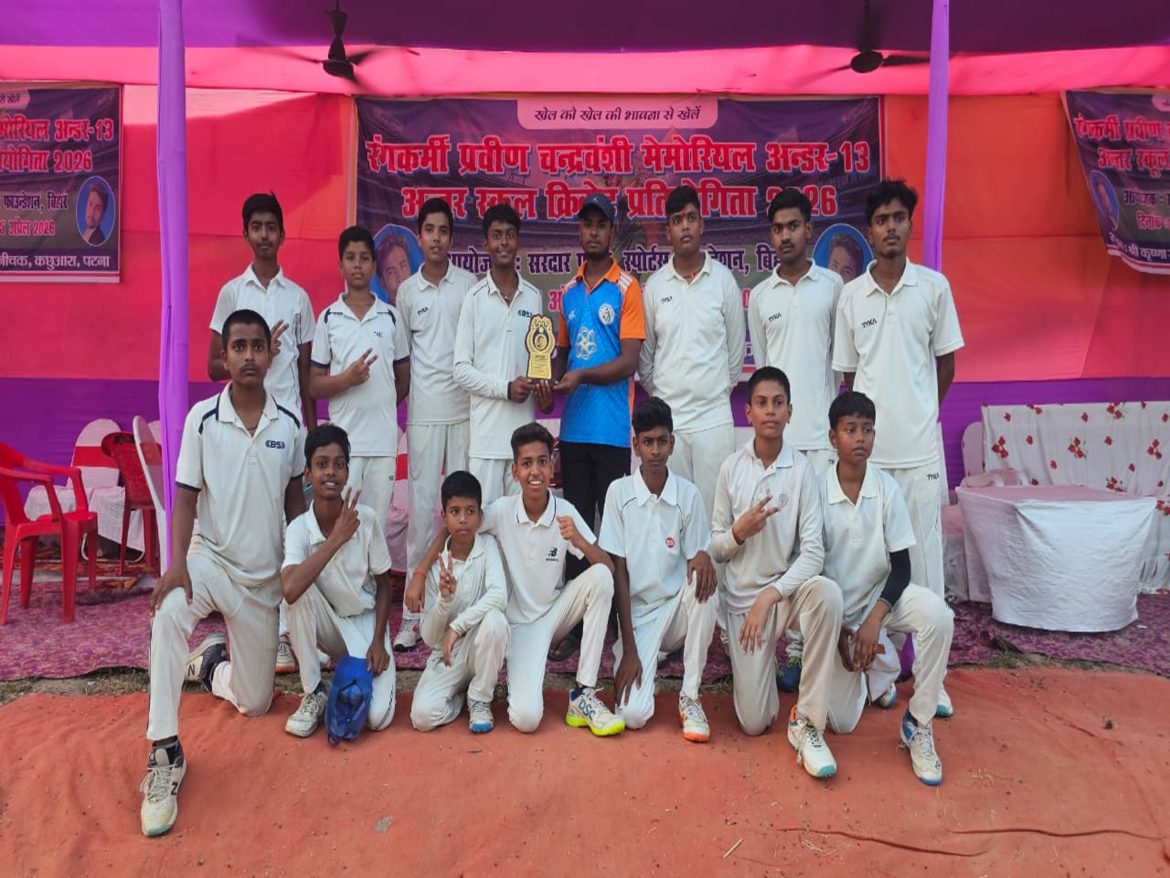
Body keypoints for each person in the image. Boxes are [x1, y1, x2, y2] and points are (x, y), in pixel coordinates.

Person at [139, 309, 306, 837]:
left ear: (270, 355)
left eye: (258, 345)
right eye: (239, 346)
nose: (249, 355)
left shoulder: (290, 425)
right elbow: (185, 497)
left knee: (256, 703)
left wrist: (303, 567)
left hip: (261, 584)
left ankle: (211, 666)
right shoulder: (202, 419)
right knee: (168, 612)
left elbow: (296, 506)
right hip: (209, 561)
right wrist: (177, 565)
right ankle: (164, 751)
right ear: (225, 357)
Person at [832, 179, 963, 717]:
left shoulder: (933, 288)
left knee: (926, 571)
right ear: (869, 230)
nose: (890, 227)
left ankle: (934, 684)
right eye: (881, 220)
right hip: (872, 459)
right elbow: (848, 376)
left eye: (898, 218)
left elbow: (946, 363)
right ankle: (881, 674)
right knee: (871, 569)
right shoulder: (851, 296)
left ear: (910, 224)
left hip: (920, 456)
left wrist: (921, 411)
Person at [710, 367, 843, 778]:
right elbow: (716, 547)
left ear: (790, 412)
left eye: (778, 403)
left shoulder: (802, 470)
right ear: (748, 412)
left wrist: (771, 595)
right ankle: (760, 670)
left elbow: (813, 552)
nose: (770, 411)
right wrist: (739, 532)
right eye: (762, 403)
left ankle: (807, 721)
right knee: (754, 723)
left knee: (827, 595)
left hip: (782, 597)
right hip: (742, 604)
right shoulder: (731, 468)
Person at [819, 391, 953, 785]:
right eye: (850, 430)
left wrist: (875, 619)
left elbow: (902, 567)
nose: (860, 438)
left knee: (939, 617)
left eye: (867, 430)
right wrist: (839, 633)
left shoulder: (887, 488)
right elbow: (811, 572)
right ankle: (877, 667)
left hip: (882, 600)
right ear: (832, 437)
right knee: (842, 723)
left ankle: (919, 723)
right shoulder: (816, 491)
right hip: (840, 614)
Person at [208, 192, 317, 675]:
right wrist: (257, 355)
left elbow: (307, 375)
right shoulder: (232, 293)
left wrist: (312, 431)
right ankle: (252, 627)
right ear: (246, 233)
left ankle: (289, 634)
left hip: (289, 428)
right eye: (257, 226)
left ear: (283, 234)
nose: (265, 234)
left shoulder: (299, 298)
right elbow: (212, 365)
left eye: (272, 226)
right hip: (245, 427)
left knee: (293, 529)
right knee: (253, 529)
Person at [747, 188, 843, 694]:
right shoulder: (761, 296)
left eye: (793, 226)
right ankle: (788, 648)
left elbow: (842, 363)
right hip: (779, 444)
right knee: (782, 547)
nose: (785, 236)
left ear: (809, 229)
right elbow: (766, 372)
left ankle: (821, 648)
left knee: (822, 546)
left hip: (821, 442)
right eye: (777, 228)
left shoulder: (833, 288)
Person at [548, 192, 645, 660]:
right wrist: (547, 380)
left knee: (614, 530)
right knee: (575, 527)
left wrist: (582, 376)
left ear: (611, 231)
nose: (593, 232)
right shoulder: (567, 291)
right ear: (580, 231)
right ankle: (575, 620)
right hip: (574, 430)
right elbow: (561, 354)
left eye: (600, 224)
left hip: (610, 430)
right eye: (586, 224)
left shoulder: (627, 287)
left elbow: (629, 361)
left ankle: (617, 618)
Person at [600, 397, 718, 741]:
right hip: (637, 617)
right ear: (635, 444)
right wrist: (630, 649)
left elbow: (697, 559)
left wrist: (704, 556)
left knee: (705, 585)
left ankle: (690, 696)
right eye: (647, 442)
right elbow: (619, 573)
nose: (655, 451)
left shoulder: (688, 494)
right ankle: (647, 657)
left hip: (675, 609)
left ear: (672, 443)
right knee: (633, 716)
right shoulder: (619, 492)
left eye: (661, 441)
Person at [391, 198, 477, 652]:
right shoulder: (407, 293)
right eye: (430, 230)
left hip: (463, 412)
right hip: (423, 414)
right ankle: (413, 616)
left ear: (452, 237)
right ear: (419, 237)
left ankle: (460, 612)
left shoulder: (469, 286)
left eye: (444, 230)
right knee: (423, 516)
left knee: (463, 515)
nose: (437, 238)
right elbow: (404, 360)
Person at [280, 424, 396, 739]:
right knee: (298, 590)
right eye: (321, 464)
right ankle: (313, 691)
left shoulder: (366, 518)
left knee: (377, 719)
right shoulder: (299, 528)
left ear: (347, 472)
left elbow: (384, 585)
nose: (330, 472)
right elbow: (289, 590)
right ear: (307, 473)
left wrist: (378, 641)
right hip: (329, 624)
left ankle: (349, 672)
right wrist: (336, 539)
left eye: (339, 464)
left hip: (365, 623)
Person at [640, 184, 745, 520]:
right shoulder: (655, 286)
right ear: (668, 230)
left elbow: (734, 356)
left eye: (690, 218)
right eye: (677, 220)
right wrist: (665, 398)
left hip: (713, 419)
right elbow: (646, 360)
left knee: (716, 517)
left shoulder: (723, 281)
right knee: (674, 516)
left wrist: (714, 391)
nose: (684, 226)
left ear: (701, 224)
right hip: (670, 422)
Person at [310, 225, 410, 563]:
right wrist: (347, 380)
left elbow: (403, 378)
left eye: (364, 258)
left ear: (374, 266)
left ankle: (371, 591)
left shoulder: (390, 317)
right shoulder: (328, 318)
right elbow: (313, 384)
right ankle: (343, 592)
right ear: (340, 265)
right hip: (345, 445)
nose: (357, 265)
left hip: (382, 443)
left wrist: (381, 403)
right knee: (343, 524)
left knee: (375, 527)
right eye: (350, 258)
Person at [452, 203, 552, 507]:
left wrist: (543, 390)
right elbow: (460, 370)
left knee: (521, 524)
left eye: (510, 234)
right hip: (485, 440)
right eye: (497, 235)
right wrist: (505, 389)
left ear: (518, 240)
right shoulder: (473, 298)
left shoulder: (533, 297)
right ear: (486, 243)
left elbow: (539, 361)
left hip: (523, 442)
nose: (504, 242)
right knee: (481, 521)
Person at [410, 470, 510, 734]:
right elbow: (430, 638)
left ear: (480, 515)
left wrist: (458, 626)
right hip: (447, 653)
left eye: (470, 511)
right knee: (422, 717)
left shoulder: (487, 546)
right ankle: (461, 698)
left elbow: (499, 595)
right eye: (455, 512)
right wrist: (444, 601)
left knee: (496, 621)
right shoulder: (436, 567)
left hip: (479, 645)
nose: (463, 519)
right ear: (443, 516)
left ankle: (480, 697)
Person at [377, 233, 413, 305]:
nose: (400, 278)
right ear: (382, 282)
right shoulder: (383, 312)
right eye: (391, 272)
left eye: (403, 266)